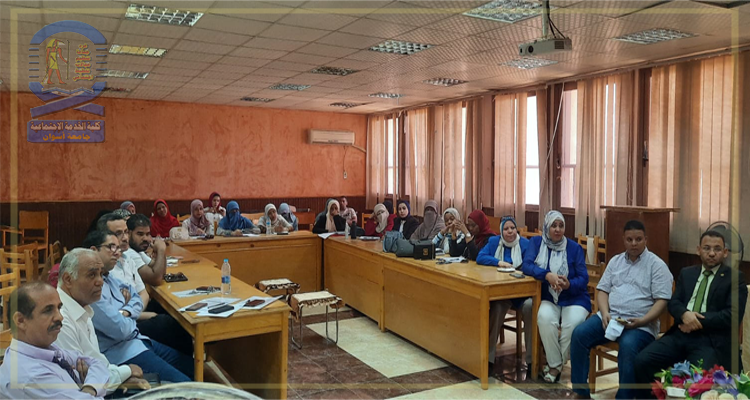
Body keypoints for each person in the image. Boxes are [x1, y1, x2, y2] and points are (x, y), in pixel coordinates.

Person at [634, 230, 748, 400]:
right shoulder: (687, 273)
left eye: (717, 249)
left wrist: (695, 320)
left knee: (700, 381)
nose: (711, 253)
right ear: (698, 250)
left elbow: (732, 315)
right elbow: (674, 302)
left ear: (725, 252)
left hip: (710, 341)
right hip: (680, 334)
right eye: (707, 248)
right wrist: (684, 314)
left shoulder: (735, 278)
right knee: (642, 361)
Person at [570, 220, 673, 400]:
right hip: (611, 318)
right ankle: (581, 392)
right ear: (623, 240)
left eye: (638, 239)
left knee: (628, 346)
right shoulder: (615, 261)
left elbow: (662, 301)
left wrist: (643, 320)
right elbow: (602, 291)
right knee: (579, 334)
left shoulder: (656, 265)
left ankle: (624, 397)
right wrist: (604, 312)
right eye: (629, 239)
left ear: (646, 239)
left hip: (641, 324)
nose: (634, 243)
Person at [89, 231, 194, 383]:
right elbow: (120, 329)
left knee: (195, 368)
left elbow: (136, 298)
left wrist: (124, 312)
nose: (117, 252)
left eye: (118, 248)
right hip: (122, 353)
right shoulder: (92, 288)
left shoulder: (108, 276)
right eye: (111, 247)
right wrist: (129, 315)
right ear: (94, 250)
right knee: (185, 384)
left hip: (138, 339)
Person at [55, 247, 150, 395]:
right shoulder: (59, 319)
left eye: (101, 274)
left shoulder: (82, 306)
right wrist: (126, 371)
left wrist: (119, 377)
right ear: (68, 279)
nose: (100, 282)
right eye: (92, 275)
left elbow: (97, 365)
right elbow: (82, 382)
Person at [0, 281, 110, 399]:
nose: (60, 317)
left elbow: (97, 364)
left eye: (59, 308)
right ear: (20, 321)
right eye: (48, 310)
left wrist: (90, 388)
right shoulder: (32, 377)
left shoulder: (44, 348)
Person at [522, 210, 590, 383]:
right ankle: (556, 363)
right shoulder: (537, 243)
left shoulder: (574, 248)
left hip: (574, 297)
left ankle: (555, 366)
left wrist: (569, 284)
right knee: (544, 318)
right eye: (554, 226)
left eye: (561, 226)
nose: (558, 230)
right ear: (546, 227)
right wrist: (547, 275)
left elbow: (584, 278)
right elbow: (527, 266)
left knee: (572, 323)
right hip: (549, 296)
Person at [122, 217, 194, 356]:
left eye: (148, 234)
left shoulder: (137, 251)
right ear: (129, 233)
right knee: (173, 323)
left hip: (137, 305)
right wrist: (161, 250)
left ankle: (185, 358)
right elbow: (156, 278)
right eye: (140, 234)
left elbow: (158, 270)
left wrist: (158, 256)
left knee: (177, 313)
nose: (145, 239)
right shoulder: (129, 252)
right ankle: (185, 363)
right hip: (129, 317)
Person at [477, 215, 533, 367]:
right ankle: (488, 359)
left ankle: (531, 360)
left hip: (522, 293)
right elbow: (481, 257)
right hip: (501, 293)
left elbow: (531, 264)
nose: (510, 231)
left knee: (530, 307)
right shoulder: (494, 242)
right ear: (501, 231)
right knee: (496, 307)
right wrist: (498, 262)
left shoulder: (525, 244)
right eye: (506, 229)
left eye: (513, 228)